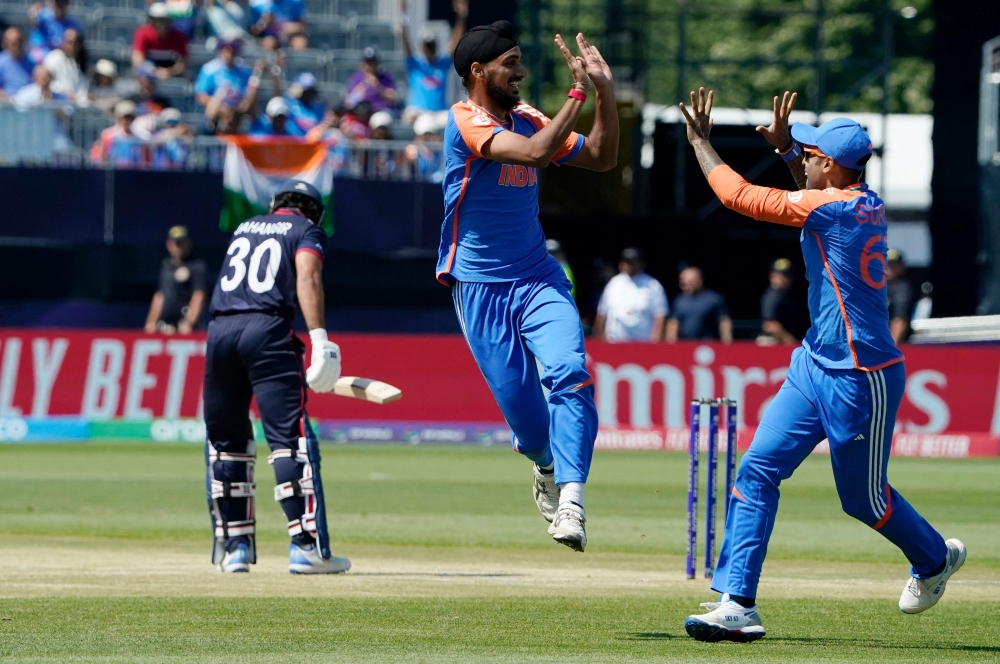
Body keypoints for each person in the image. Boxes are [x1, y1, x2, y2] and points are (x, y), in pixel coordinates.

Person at [678, 88, 964, 642]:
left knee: (864, 501)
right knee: (757, 469)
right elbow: (813, 189)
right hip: (813, 364)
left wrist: (701, 144)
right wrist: (788, 150)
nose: (802, 158)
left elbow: (739, 196)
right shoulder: (859, 199)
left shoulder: (831, 208)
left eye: (809, 153)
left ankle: (933, 559)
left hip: (863, 376)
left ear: (829, 165)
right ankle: (737, 602)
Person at [438, 22, 618, 552]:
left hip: (538, 276)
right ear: (478, 71)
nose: (520, 73)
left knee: (570, 372)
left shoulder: (528, 116)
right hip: (480, 288)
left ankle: (572, 500)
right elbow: (537, 152)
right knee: (528, 420)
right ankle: (544, 463)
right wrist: (578, 92)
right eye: (510, 63)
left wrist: (603, 90)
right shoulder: (463, 121)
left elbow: (602, 157)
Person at [203, 180, 350, 575]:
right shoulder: (305, 230)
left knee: (226, 442)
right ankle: (305, 547)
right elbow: (308, 277)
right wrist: (320, 339)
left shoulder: (246, 226)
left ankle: (234, 548)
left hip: (219, 332)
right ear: (313, 212)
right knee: (290, 439)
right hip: (267, 332)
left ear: (276, 203)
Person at [399, 0, 466, 124]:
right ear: (421, 47)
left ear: (436, 46)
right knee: (416, 119)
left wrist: (461, 17)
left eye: (432, 46)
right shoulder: (415, 64)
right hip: (417, 112)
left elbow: (455, 43)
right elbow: (404, 40)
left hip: (438, 113)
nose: (430, 49)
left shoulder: (442, 63)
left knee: (456, 121)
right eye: (427, 46)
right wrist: (403, 14)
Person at [593, 248, 668, 342]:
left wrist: (655, 342)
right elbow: (602, 313)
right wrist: (599, 339)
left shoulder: (653, 285)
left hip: (642, 344)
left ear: (640, 263)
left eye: (633, 262)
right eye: (627, 262)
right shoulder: (613, 284)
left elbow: (659, 315)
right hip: (614, 343)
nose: (630, 265)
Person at [144, 226, 208, 334]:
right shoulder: (166, 267)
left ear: (188, 243)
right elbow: (160, 296)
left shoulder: (197, 266)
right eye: (174, 243)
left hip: (184, 327)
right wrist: (151, 322)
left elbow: (199, 295)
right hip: (165, 326)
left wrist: (189, 322)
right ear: (168, 244)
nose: (177, 247)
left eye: (181, 243)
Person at [666, 266, 732, 342]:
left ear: (699, 281)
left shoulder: (714, 299)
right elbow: (673, 324)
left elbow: (724, 323)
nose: (684, 285)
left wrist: (727, 345)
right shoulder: (679, 301)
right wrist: (671, 345)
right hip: (685, 346)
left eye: (689, 282)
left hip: (708, 346)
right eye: (683, 283)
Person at [757, 257, 806, 345]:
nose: (785, 278)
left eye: (787, 275)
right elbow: (769, 325)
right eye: (781, 275)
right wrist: (791, 341)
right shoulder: (772, 296)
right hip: (772, 341)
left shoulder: (792, 294)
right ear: (772, 276)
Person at [132, 3, 189, 79]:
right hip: (149, 72)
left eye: (164, 20)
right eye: (157, 20)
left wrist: (169, 71)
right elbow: (137, 58)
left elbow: (185, 62)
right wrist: (151, 70)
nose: (161, 24)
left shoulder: (178, 36)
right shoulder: (143, 33)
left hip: (172, 74)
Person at [345, 47, 397, 113]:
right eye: (367, 62)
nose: (369, 66)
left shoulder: (386, 77)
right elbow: (348, 102)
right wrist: (359, 93)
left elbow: (393, 98)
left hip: (381, 111)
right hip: (361, 112)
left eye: (372, 62)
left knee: (382, 119)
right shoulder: (357, 78)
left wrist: (378, 87)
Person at [42, 26, 86, 104]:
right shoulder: (54, 57)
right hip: (56, 103)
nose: (72, 46)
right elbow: (44, 80)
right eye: (69, 42)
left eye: (75, 43)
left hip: (75, 104)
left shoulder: (79, 62)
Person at [886, 249, 914, 345]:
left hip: (897, 346)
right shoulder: (881, 287)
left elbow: (900, 320)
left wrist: (891, 348)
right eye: (887, 264)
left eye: (893, 265)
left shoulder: (902, 287)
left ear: (901, 266)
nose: (889, 268)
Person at [0, 27, 34, 100]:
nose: (17, 45)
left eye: (19, 41)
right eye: (13, 43)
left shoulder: (31, 62)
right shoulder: (1, 62)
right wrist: (11, 99)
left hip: (28, 103)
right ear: (5, 43)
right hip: (6, 105)